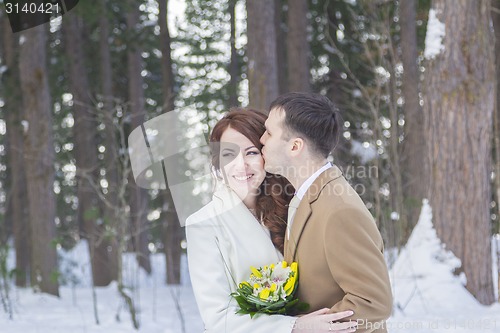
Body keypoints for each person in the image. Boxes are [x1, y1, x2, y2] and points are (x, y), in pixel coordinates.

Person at [186, 108, 358, 333]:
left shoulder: (296, 205)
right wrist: (294, 326)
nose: (241, 165)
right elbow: (218, 319)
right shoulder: (203, 224)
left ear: (267, 153)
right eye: (228, 155)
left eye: (251, 153)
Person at [260, 92, 393, 333]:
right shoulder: (306, 196)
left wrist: (303, 328)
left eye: (269, 132)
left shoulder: (339, 210)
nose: (261, 139)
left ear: (294, 146)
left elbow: (373, 303)